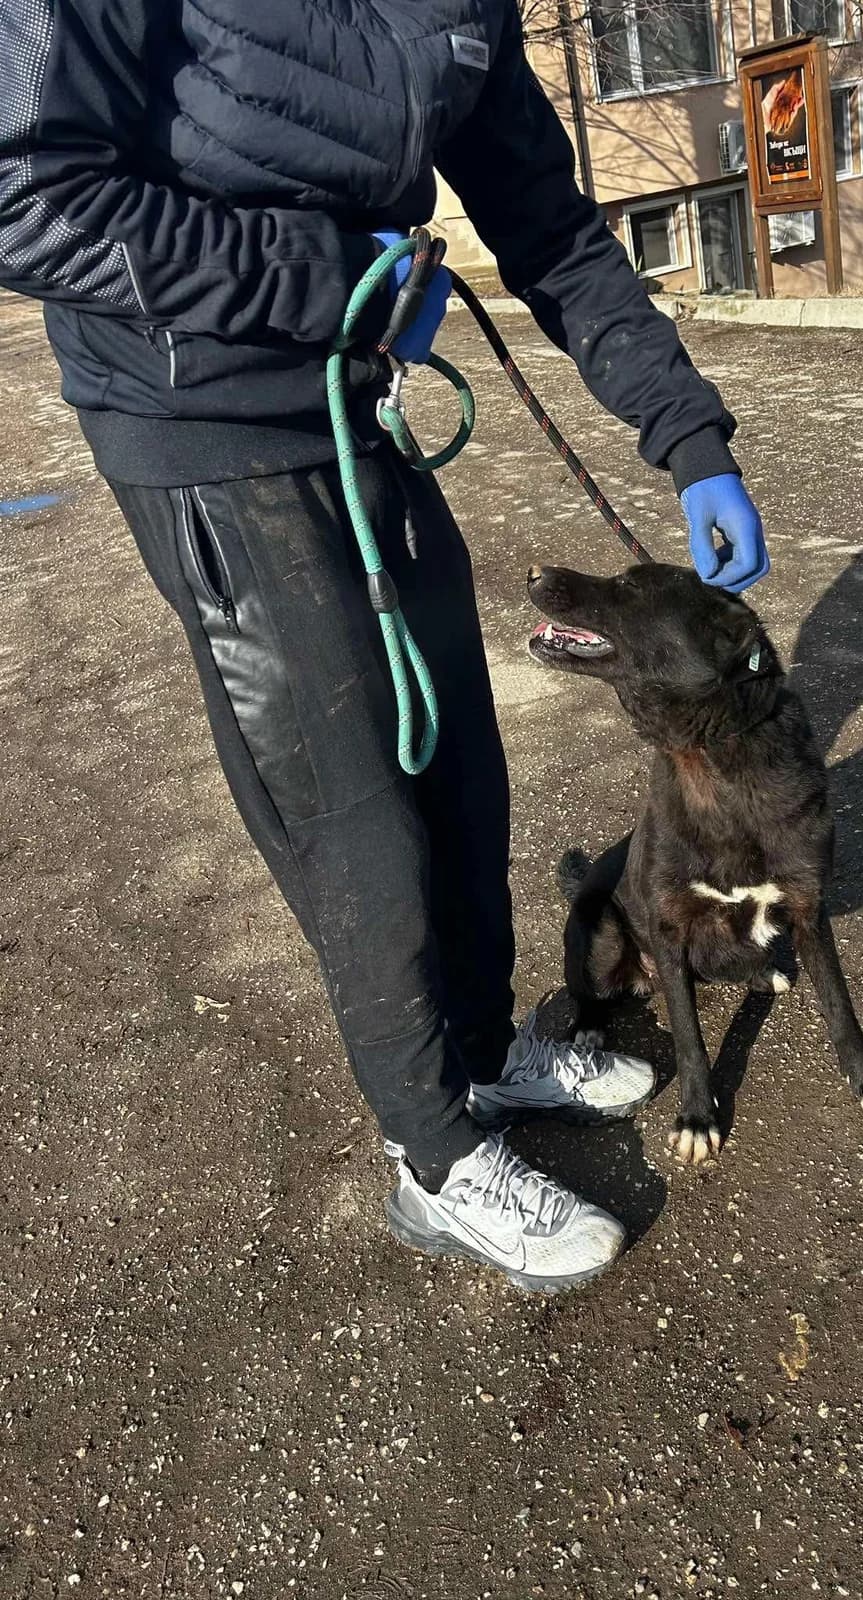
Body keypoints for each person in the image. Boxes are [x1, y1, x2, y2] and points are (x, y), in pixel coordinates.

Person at [0, 0, 769, 1292]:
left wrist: (687, 434)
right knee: (352, 807)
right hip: (194, 413)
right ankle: (433, 1151)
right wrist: (320, 280)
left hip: (350, 393)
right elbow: (25, 193)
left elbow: (547, 219)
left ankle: (477, 1049)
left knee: (459, 757)